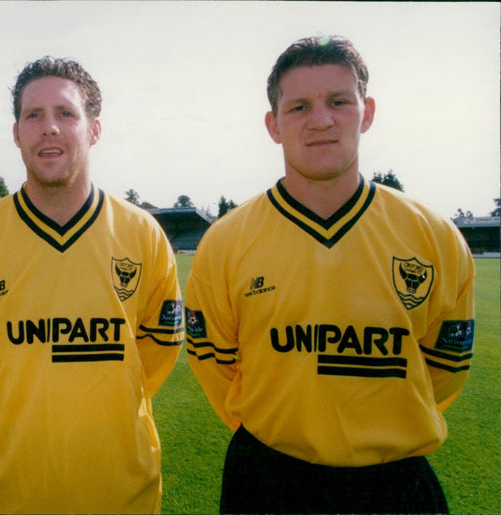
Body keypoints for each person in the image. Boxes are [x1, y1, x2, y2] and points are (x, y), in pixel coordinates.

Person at [185, 35, 475, 514]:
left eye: (338, 101)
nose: (320, 120)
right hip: (267, 480)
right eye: (298, 107)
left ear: (367, 112)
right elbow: (215, 364)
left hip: (395, 484)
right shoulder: (227, 240)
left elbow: (444, 371)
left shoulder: (434, 236)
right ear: (273, 125)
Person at [0, 56, 184, 513]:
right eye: (33, 115)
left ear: (93, 129)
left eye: (65, 113)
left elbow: (158, 350)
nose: (49, 128)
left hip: (121, 487)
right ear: (16, 132)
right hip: (10, 488)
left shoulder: (142, 232)